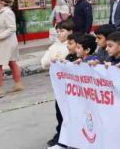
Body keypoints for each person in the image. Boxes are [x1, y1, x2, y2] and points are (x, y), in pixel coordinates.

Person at [43, 19, 73, 149]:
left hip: (72, 86)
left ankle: (68, 137)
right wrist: (51, 60)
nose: (59, 34)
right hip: (59, 86)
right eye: (58, 31)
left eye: (62, 31)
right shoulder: (54, 46)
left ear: (70, 31)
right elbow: (44, 62)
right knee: (59, 112)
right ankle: (60, 134)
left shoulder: (72, 45)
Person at [0, 0, 23, 101]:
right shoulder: (0, 12)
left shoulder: (7, 12)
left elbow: (12, 28)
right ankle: (18, 84)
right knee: (12, 62)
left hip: (6, 42)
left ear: (3, 2)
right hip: (5, 42)